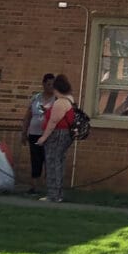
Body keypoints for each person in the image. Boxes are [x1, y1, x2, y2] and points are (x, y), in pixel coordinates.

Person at [39, 73, 78, 205]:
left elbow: (53, 122)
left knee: (52, 162)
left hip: (57, 134)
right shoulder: (69, 100)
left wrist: (43, 137)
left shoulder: (60, 102)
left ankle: (53, 194)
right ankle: (58, 193)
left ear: (57, 89)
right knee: (59, 161)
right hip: (65, 134)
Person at [22, 73, 56, 194]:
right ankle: (34, 186)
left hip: (49, 134)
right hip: (34, 133)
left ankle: (49, 187)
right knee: (36, 159)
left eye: (53, 84)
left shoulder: (56, 100)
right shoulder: (36, 98)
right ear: (44, 84)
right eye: (49, 84)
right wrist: (24, 132)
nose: (51, 87)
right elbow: (28, 116)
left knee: (49, 159)